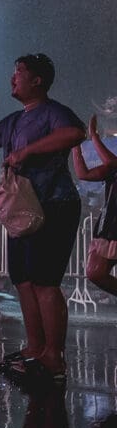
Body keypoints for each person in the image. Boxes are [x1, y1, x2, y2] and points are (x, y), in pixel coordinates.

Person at [0, 54, 84, 383]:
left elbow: (75, 133)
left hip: (54, 204)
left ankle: (54, 357)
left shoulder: (52, 112)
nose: (13, 78)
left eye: (19, 72)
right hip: (23, 210)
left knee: (45, 282)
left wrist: (27, 151)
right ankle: (35, 347)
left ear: (38, 81)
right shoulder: (15, 119)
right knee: (23, 280)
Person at [72, 114, 117, 297]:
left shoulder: (113, 163)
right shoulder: (113, 167)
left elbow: (111, 162)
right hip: (110, 225)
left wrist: (94, 136)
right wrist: (75, 146)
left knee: (96, 271)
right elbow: (83, 174)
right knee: (95, 272)